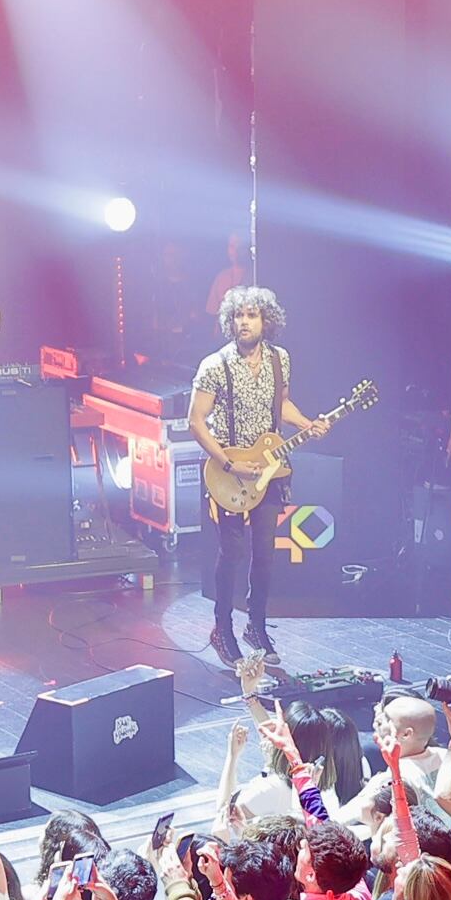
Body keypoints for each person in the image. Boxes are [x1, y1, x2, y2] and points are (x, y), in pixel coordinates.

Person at [187, 285, 329, 667]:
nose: (244, 322)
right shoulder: (215, 365)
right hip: (229, 472)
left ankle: (257, 625)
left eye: (252, 315)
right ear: (229, 321)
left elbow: (281, 404)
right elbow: (195, 421)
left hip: (269, 470)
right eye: (238, 315)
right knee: (232, 552)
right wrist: (230, 463)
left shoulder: (280, 359)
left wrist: (307, 423)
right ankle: (222, 628)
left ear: (267, 320)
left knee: (264, 553)